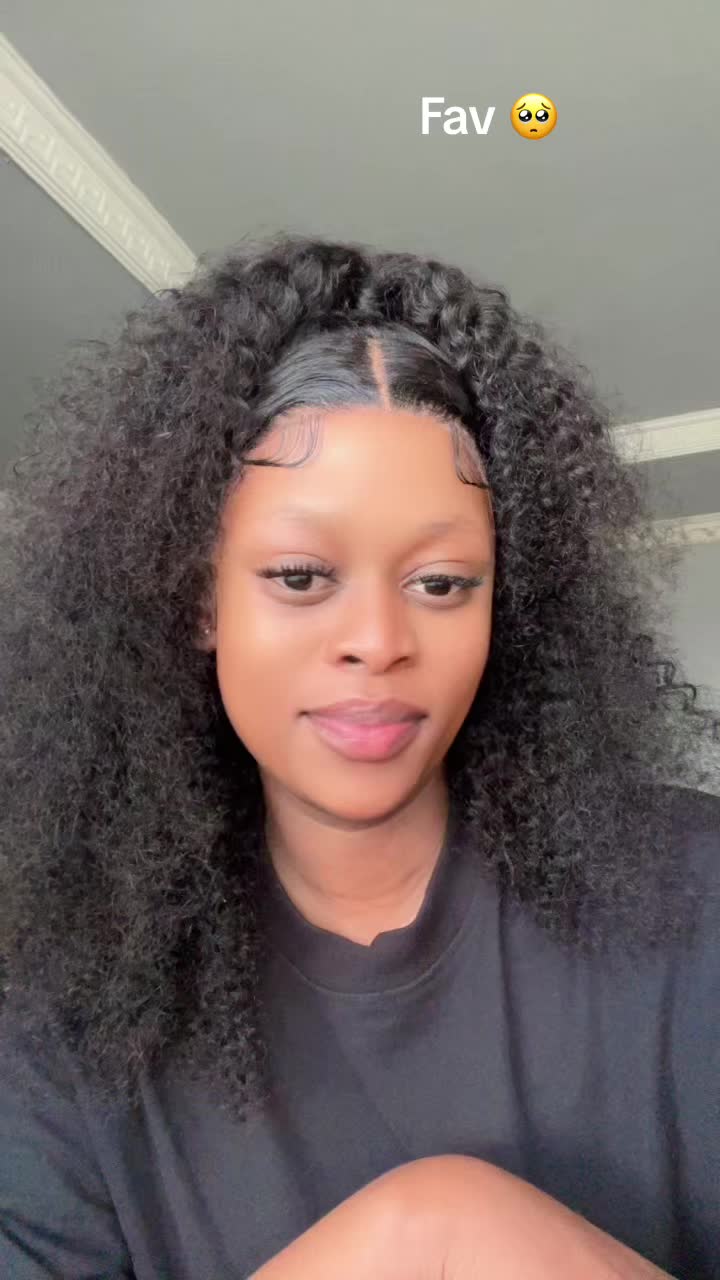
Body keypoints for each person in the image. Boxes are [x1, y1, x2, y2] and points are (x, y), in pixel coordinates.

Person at [0, 231, 717, 1280]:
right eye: (301, 575)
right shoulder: (61, 1013)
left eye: (441, 583)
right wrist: (422, 1228)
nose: (379, 641)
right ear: (200, 600)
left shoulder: (698, 891)